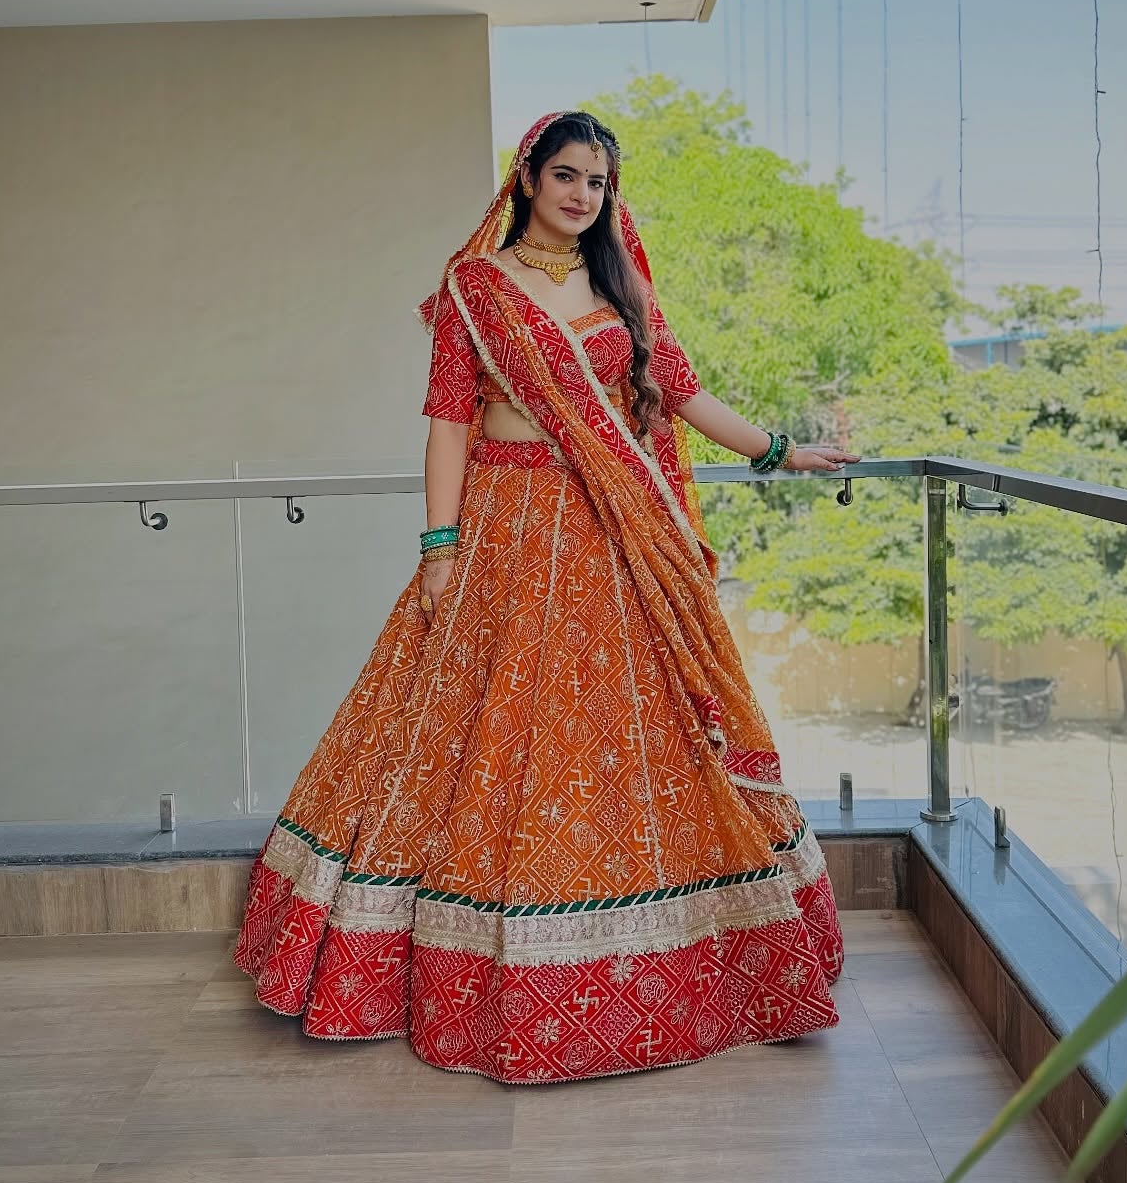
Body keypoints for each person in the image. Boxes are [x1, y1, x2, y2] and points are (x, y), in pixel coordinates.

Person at [234, 110, 858, 1084]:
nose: (582, 196)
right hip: (506, 529)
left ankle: (679, 951)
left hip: (613, 532)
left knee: (624, 730)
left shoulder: (620, 284)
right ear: (527, 178)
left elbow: (679, 393)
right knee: (481, 728)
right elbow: (450, 424)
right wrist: (439, 547)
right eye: (566, 175)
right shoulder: (474, 288)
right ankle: (460, 955)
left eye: (597, 183)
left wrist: (779, 450)